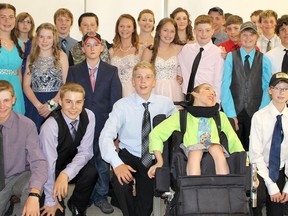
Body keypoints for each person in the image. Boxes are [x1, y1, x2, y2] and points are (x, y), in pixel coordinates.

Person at [99, 61, 177, 216]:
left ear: (154, 82)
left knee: (144, 208)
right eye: (139, 77)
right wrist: (117, 164)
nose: (143, 81)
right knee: (120, 182)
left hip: (153, 158)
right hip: (130, 154)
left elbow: (179, 126)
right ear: (133, 82)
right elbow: (105, 136)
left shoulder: (166, 103)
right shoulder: (121, 106)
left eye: (148, 77)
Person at [67, 31, 122, 214]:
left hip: (104, 126)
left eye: (95, 44)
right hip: (82, 126)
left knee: (102, 163)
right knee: (85, 164)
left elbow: (116, 102)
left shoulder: (111, 71)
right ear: (82, 48)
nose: (92, 48)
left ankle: (101, 196)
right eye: (88, 45)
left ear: (101, 48)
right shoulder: (74, 71)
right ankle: (85, 197)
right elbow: (68, 98)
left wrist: (116, 133)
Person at [148, 83, 244, 177]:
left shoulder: (220, 116)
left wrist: (245, 162)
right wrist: (159, 161)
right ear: (195, 94)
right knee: (195, 152)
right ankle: (192, 188)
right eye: (207, 89)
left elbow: (233, 139)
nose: (212, 93)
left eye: (214, 93)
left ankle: (224, 187)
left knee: (216, 149)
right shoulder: (182, 116)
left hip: (215, 148)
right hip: (191, 148)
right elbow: (156, 134)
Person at [39, 82, 98, 216]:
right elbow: (48, 164)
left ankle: (77, 204)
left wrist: (66, 174)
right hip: (50, 170)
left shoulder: (89, 116)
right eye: (68, 102)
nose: (73, 107)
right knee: (55, 212)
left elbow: (86, 151)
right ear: (60, 102)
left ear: (84, 102)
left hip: (71, 165)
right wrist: (50, 200)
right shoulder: (50, 126)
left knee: (91, 172)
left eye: (78, 102)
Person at [221, 21, 272, 151]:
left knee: (254, 148)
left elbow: (267, 87)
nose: (248, 38)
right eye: (244, 34)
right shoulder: (231, 57)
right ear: (239, 36)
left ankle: (254, 172)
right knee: (235, 149)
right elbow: (225, 85)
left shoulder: (264, 59)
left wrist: (261, 112)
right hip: (235, 111)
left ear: (257, 37)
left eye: (251, 35)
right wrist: (231, 113)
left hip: (255, 112)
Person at [0, 80, 48, 216]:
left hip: (18, 176)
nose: (1, 106)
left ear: (14, 100)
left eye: (6, 100)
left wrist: (34, 194)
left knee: (32, 186)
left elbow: (39, 162)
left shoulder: (26, 125)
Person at [249, 72, 288, 216]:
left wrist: (287, 187)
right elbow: (255, 154)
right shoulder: (259, 117)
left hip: (280, 169)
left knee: (277, 210)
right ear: (270, 90)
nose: (281, 92)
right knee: (256, 200)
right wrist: (271, 186)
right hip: (259, 169)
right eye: (277, 88)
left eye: (285, 88)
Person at [23, 23, 68, 131]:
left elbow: (65, 84)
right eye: (41, 37)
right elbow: (26, 85)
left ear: (54, 39)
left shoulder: (61, 56)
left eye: (49, 37)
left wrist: (51, 105)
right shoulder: (31, 57)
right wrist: (38, 105)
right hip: (35, 103)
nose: (45, 41)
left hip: (56, 101)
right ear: (37, 38)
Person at [177, 15, 224, 103]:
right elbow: (178, 64)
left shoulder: (217, 53)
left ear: (213, 31)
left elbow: (218, 80)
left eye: (207, 30)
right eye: (200, 30)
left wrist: (216, 103)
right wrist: (179, 75)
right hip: (186, 97)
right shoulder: (187, 49)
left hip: (206, 100)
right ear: (194, 31)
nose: (203, 34)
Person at [142, 18, 184, 102]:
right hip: (155, 89)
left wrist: (182, 76)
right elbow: (142, 73)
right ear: (159, 31)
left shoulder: (180, 48)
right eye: (165, 30)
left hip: (174, 89)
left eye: (172, 31)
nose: (168, 34)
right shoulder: (149, 51)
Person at [0, 3, 25, 115]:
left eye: (11, 17)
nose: (7, 21)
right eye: (3, 17)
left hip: (15, 90)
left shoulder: (20, 44)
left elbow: (19, 73)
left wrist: (17, 94)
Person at [109, 14, 142, 97]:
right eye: (121, 26)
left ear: (134, 29)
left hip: (134, 92)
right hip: (115, 91)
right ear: (117, 28)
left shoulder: (140, 49)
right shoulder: (112, 51)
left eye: (128, 26)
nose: (124, 29)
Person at [15, 12, 35, 77]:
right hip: (15, 75)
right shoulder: (12, 42)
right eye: (22, 21)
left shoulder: (36, 42)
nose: (25, 24)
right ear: (16, 24)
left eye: (28, 22)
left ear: (32, 25)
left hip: (31, 76)